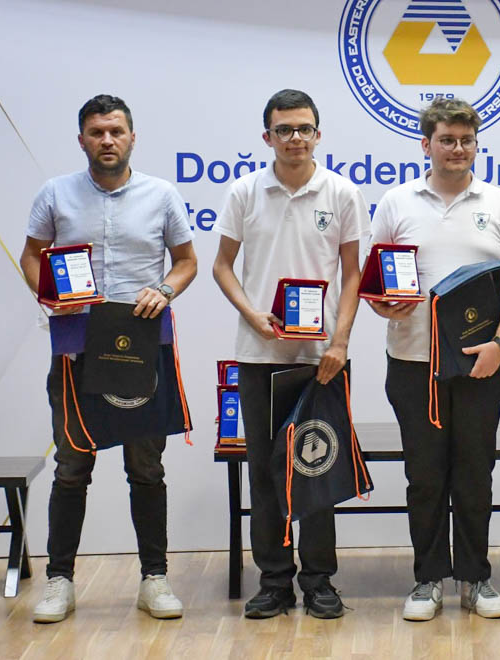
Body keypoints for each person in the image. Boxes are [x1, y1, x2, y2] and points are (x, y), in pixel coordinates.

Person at [19, 94, 198, 623]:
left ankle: (154, 579)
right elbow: (32, 255)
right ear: (82, 140)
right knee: (72, 465)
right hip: (76, 346)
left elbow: (186, 262)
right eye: (97, 132)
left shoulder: (161, 194)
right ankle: (59, 582)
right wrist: (48, 294)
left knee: (147, 466)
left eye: (116, 131)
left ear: (132, 137)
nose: (107, 140)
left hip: (141, 347)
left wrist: (164, 289)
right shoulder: (56, 193)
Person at [369, 98, 500, 621]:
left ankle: (475, 579)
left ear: (476, 145)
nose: (457, 149)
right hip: (412, 362)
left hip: (482, 363)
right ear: (426, 144)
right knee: (424, 476)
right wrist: (381, 304)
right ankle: (427, 580)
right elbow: (376, 281)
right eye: (447, 140)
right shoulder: (396, 202)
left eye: (466, 141)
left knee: (474, 473)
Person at [212, 89, 369, 619]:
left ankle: (319, 581)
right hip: (259, 354)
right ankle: (274, 581)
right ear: (268, 137)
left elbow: (353, 274)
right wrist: (252, 314)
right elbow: (221, 266)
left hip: (321, 358)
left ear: (318, 135)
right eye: (284, 129)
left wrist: (340, 342)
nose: (295, 138)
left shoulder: (342, 192)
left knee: (317, 467)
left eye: (304, 128)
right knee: (263, 472)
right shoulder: (245, 192)